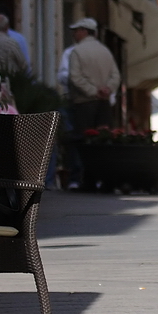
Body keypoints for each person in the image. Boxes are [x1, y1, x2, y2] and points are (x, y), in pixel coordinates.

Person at [55, 17, 121, 189]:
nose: (74, 34)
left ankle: (83, 179)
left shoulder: (76, 51)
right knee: (103, 140)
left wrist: (93, 91)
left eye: (76, 30)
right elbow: (116, 75)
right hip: (104, 103)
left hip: (84, 103)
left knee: (82, 141)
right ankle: (105, 179)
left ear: (84, 31)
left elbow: (74, 77)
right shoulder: (105, 51)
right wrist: (107, 89)